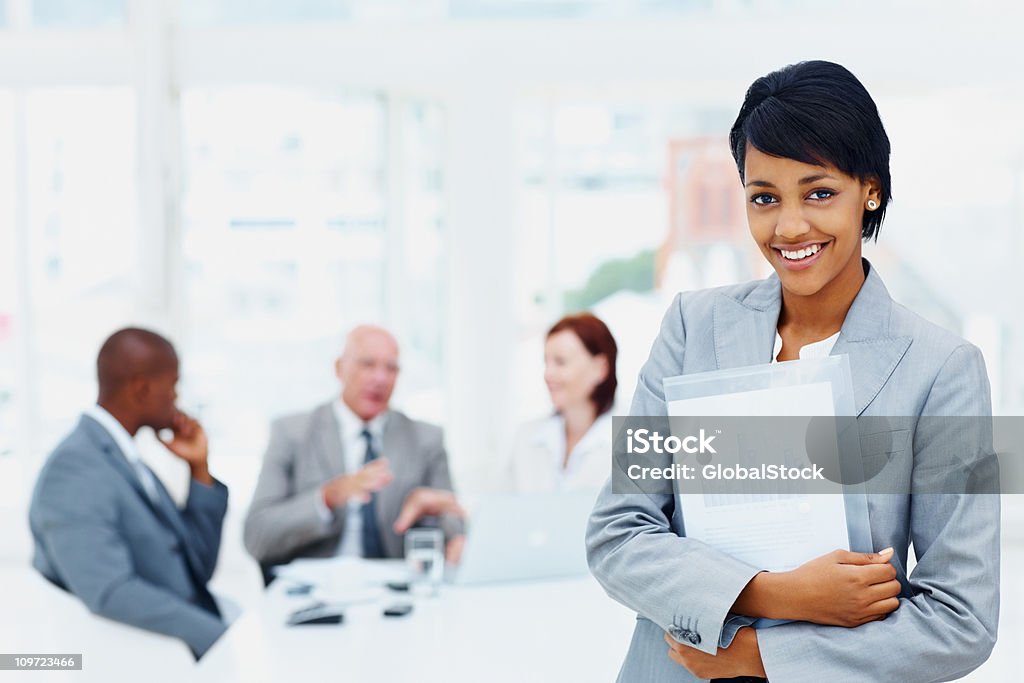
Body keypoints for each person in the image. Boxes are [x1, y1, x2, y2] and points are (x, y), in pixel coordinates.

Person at [586, 61, 999, 682]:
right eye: (764, 198)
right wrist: (778, 594)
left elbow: (961, 620)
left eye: (819, 193)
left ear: (871, 190)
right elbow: (618, 534)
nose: (789, 226)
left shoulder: (943, 372)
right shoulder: (692, 327)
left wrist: (759, 658)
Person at [28, 328, 229, 659]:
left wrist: (199, 471)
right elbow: (111, 591)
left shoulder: (130, 462)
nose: (177, 399)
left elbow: (196, 569)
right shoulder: (75, 470)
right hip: (149, 657)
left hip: (185, 641)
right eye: (173, 386)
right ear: (143, 388)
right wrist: (220, 639)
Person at [243, 325, 465, 576]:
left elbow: (455, 528)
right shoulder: (292, 432)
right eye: (367, 364)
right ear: (339, 368)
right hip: (315, 591)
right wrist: (326, 498)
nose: (380, 379)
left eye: (391, 368)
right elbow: (256, 536)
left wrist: (438, 517)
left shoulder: (426, 439)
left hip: (396, 588)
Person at [505, 312, 617, 493]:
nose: (548, 374)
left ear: (600, 368)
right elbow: (503, 511)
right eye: (546, 362)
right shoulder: (526, 437)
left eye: (561, 362)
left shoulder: (636, 441)